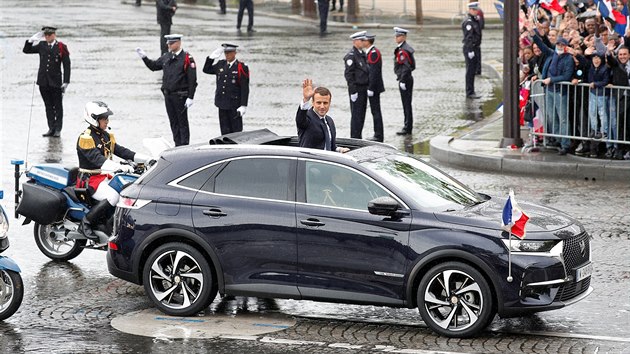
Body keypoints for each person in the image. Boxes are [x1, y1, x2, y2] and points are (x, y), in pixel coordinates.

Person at [76, 101, 150, 241]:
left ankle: (109, 224)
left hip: (104, 176)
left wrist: (146, 159)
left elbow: (122, 151)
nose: (107, 121)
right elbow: (97, 159)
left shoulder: (105, 135)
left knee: (126, 188)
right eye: (104, 118)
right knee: (114, 196)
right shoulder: (85, 138)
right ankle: (86, 222)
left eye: (106, 118)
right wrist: (119, 167)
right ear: (94, 119)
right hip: (89, 180)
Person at [136, 34, 197, 146]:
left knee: (182, 122)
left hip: (180, 95)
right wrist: (144, 58)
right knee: (173, 122)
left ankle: (184, 145)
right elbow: (154, 66)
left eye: (172, 43)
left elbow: (192, 80)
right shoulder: (166, 56)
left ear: (178, 43)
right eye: (168, 43)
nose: (169, 45)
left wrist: (191, 97)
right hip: (168, 95)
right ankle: (177, 144)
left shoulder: (187, 58)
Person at [23, 26, 71, 138]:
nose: (47, 37)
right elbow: (26, 50)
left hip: (56, 82)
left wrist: (66, 82)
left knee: (58, 106)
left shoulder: (61, 47)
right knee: (48, 106)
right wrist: (31, 40)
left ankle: (58, 129)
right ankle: (51, 128)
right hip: (43, 81)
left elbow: (67, 65)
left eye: (49, 35)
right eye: (46, 35)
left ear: (54, 35)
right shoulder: (42, 45)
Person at [203, 43, 250, 135]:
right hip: (222, 103)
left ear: (234, 53)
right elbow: (206, 69)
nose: (227, 55)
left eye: (229, 53)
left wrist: (243, 105)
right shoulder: (221, 64)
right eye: (225, 53)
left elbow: (245, 88)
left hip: (234, 105)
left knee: (236, 133)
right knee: (224, 132)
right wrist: (211, 57)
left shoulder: (241, 67)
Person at [296, 78, 349, 153]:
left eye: (325, 103)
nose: (322, 106)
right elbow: (300, 120)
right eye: (319, 102)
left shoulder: (329, 120)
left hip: (327, 161)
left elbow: (331, 146)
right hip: (311, 162)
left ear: (329, 103)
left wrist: (339, 150)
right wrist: (306, 100)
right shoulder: (307, 118)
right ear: (313, 102)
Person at [344, 31, 369, 139]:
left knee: (362, 115)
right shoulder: (351, 56)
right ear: (355, 41)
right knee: (356, 116)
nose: (363, 42)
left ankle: (359, 136)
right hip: (356, 89)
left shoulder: (362, 54)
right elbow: (349, 75)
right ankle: (355, 138)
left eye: (364, 40)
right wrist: (353, 91)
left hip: (363, 88)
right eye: (361, 40)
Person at [393, 26, 415, 135]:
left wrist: (402, 80)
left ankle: (407, 127)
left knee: (406, 104)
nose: (396, 38)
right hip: (407, 79)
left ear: (404, 37)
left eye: (398, 36)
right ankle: (407, 125)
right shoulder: (405, 48)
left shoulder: (403, 50)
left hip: (405, 80)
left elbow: (406, 67)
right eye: (396, 36)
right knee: (407, 104)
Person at [364, 33, 385, 142]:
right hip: (373, 87)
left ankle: (378, 135)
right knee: (375, 111)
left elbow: (374, 72)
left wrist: (371, 88)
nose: (362, 42)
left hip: (374, 87)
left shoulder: (373, 53)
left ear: (368, 41)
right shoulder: (370, 52)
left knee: (376, 111)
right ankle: (377, 133)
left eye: (364, 40)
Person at [462, 2, 482, 99]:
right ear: (470, 10)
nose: (475, 11)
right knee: (470, 70)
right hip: (471, 48)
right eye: (473, 10)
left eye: (476, 9)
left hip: (476, 47)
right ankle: (469, 92)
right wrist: (470, 50)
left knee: (473, 69)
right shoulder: (469, 22)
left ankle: (471, 90)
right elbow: (468, 38)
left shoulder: (475, 20)